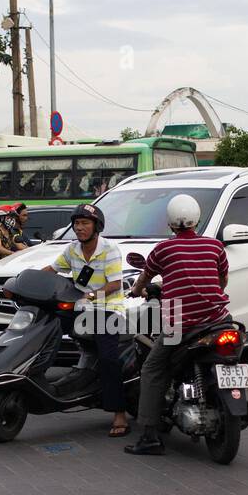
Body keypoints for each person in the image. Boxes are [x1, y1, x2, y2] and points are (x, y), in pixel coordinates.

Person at [124, 194, 230, 455]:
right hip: (220, 320)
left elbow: (143, 280)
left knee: (152, 370)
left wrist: (138, 291)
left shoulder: (163, 250)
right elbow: (221, 282)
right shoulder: (215, 247)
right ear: (197, 219)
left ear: (170, 223)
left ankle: (149, 436)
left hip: (181, 326)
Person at [43, 203, 130, 437]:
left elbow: (115, 284)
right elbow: (51, 269)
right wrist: (26, 281)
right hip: (79, 307)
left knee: (108, 358)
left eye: (84, 223)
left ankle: (119, 412)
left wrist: (90, 295)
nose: (79, 228)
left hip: (107, 308)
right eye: (76, 224)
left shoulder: (109, 249)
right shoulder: (72, 250)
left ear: (96, 227)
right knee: (45, 327)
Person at [0, 203, 28, 267]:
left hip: (5, 262)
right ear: (1, 218)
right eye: (9, 217)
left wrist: (30, 250)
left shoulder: (10, 231)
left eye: (13, 217)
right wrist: (12, 253)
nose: (12, 219)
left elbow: (18, 244)